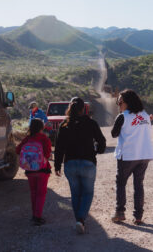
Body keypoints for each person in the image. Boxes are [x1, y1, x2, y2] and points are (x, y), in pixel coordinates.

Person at [54, 98, 106, 234]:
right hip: (88, 163)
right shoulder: (91, 123)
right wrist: (96, 151)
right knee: (87, 193)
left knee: (75, 194)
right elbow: (102, 142)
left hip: (70, 164)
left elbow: (59, 147)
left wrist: (57, 165)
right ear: (84, 109)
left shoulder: (64, 125)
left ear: (70, 108)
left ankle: (79, 220)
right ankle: (81, 220)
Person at [111, 89, 153, 225]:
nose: (118, 105)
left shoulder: (123, 116)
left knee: (121, 183)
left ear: (127, 102)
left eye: (120, 102)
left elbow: (114, 134)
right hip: (144, 155)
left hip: (128, 155)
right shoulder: (145, 115)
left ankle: (120, 212)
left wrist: (118, 120)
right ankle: (138, 216)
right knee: (138, 185)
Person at [16, 118, 52, 226]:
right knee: (41, 193)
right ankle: (37, 217)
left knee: (33, 193)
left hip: (30, 170)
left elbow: (17, 150)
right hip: (42, 170)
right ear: (42, 127)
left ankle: (34, 215)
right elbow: (47, 154)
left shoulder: (27, 139)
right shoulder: (44, 139)